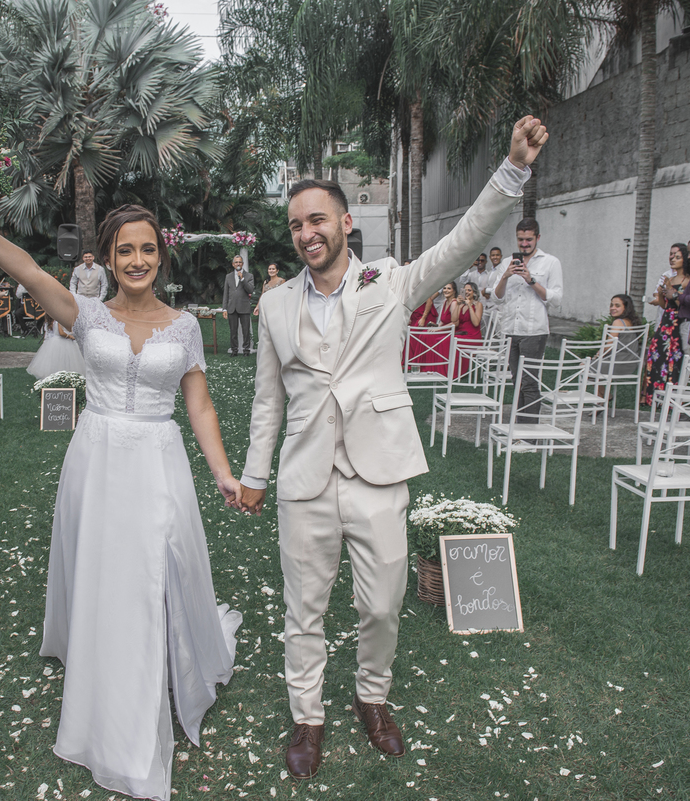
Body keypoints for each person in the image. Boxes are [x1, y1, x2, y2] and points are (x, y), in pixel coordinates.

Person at [237, 116, 546, 780]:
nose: (306, 233)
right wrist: (254, 474)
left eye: (317, 219)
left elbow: (463, 244)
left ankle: (370, 695)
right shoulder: (274, 306)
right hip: (305, 477)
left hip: (379, 470)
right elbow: (268, 400)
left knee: (380, 602)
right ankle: (308, 716)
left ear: (345, 222)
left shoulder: (392, 282)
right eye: (296, 225)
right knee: (304, 607)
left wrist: (512, 170)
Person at [0, 193, 243, 801]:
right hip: (98, 456)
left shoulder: (185, 327)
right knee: (107, 570)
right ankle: (103, 665)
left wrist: (222, 471)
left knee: (154, 566)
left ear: (162, 256)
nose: (138, 259)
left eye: (148, 249)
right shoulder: (85, 313)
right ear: (109, 256)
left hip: (159, 460)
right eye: (126, 249)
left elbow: (200, 404)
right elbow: (27, 269)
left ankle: (155, 669)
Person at [489, 216, 564, 424]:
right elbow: (496, 297)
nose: (524, 244)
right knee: (517, 381)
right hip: (511, 328)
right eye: (520, 239)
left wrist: (531, 280)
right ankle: (519, 428)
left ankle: (529, 435)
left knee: (529, 382)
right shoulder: (507, 263)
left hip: (534, 331)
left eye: (528, 239)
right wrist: (505, 276)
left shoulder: (550, 262)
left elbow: (556, 299)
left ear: (537, 238)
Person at [640, 243, 690, 405]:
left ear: (685, 259)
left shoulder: (687, 281)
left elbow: (681, 304)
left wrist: (672, 291)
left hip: (678, 322)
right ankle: (654, 395)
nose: (673, 259)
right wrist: (664, 290)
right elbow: (663, 305)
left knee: (674, 358)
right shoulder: (669, 278)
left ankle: (671, 398)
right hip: (665, 321)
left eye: (677, 257)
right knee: (657, 355)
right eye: (671, 256)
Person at [221, 255, 255, 355]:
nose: (238, 264)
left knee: (246, 331)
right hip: (232, 307)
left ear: (242, 264)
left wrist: (243, 279)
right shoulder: (228, 276)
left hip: (244, 307)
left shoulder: (249, 276)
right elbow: (226, 293)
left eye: (240, 262)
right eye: (236, 262)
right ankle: (234, 350)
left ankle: (246, 350)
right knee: (233, 331)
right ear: (233, 264)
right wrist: (224, 309)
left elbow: (250, 290)